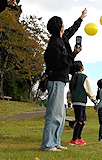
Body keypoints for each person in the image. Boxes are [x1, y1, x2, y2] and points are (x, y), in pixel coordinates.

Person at [40, 8, 87, 151]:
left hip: (61, 81)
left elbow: (71, 30)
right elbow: (61, 64)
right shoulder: (54, 44)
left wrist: (80, 19)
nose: (64, 26)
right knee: (53, 114)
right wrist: (73, 53)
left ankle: (55, 141)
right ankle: (47, 144)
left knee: (60, 114)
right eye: (62, 24)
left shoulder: (61, 39)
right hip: (55, 80)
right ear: (59, 27)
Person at [69, 61, 97, 146]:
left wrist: (69, 102)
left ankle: (79, 137)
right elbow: (88, 90)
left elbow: (69, 92)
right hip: (81, 102)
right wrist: (94, 101)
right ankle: (74, 139)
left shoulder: (73, 77)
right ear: (81, 67)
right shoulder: (83, 77)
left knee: (83, 120)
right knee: (80, 121)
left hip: (75, 102)